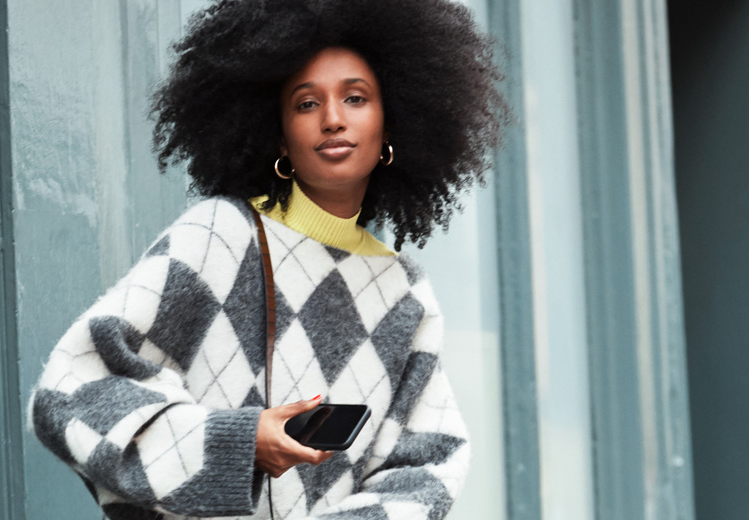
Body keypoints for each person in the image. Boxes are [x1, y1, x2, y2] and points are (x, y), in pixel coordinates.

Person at [28, 0, 507, 518]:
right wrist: (239, 442)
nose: (332, 119)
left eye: (355, 97)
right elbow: (70, 393)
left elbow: (427, 465)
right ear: (278, 133)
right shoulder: (218, 236)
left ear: (391, 125)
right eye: (306, 103)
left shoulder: (405, 295)